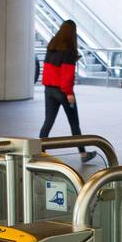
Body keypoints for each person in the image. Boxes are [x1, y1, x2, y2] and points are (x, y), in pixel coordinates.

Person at [38, 20, 94, 162]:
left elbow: (48, 70)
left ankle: (38, 152)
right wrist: (69, 93)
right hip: (63, 91)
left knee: (48, 122)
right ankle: (83, 154)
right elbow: (67, 75)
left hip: (48, 90)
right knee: (74, 123)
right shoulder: (68, 50)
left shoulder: (52, 45)